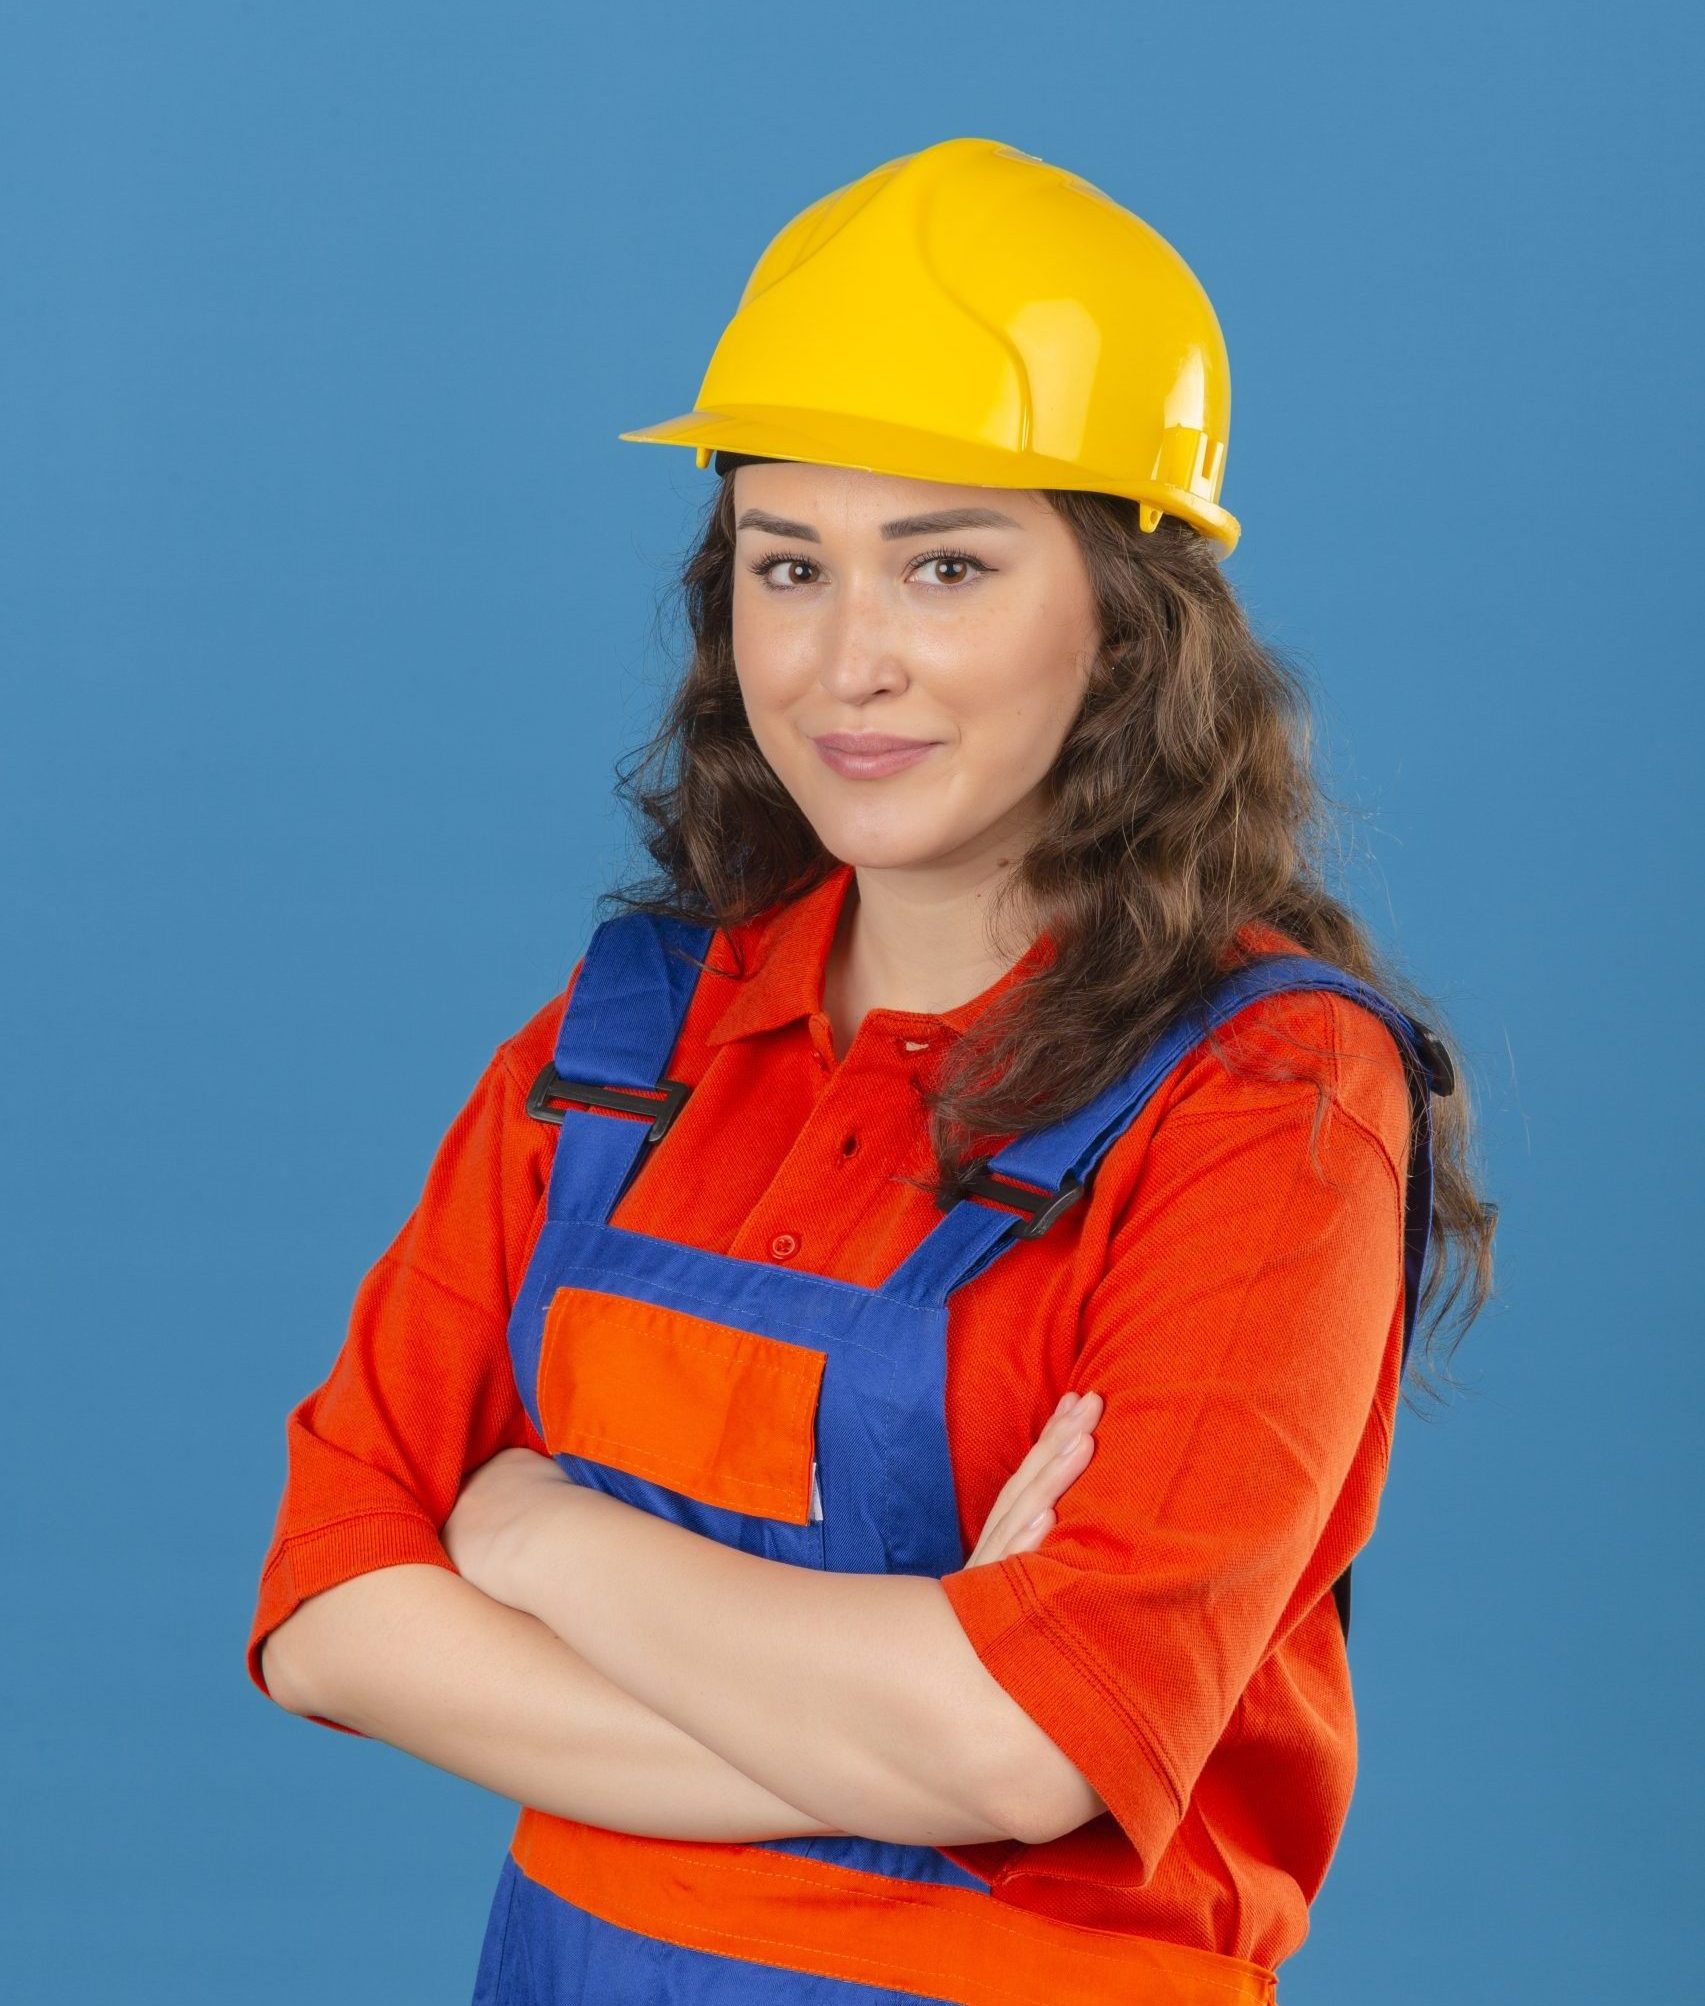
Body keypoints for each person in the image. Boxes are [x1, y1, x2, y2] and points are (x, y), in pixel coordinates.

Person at [246, 136, 1496, 2004]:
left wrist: (526, 1527)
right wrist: (894, 1704)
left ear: (1128, 621)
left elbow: (1026, 1754)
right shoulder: (625, 1047)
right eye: (786, 563)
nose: (849, 660)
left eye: (945, 564)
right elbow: (329, 1608)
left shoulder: (1271, 1102)